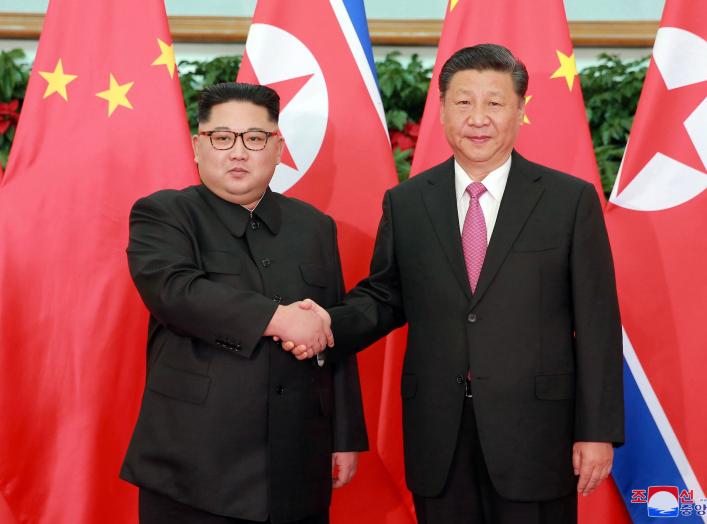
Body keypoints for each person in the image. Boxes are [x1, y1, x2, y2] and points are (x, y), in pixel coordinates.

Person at [290, 44, 624, 524]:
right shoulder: (406, 203)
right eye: (464, 102)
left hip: (536, 433)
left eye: (495, 102)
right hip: (438, 432)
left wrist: (597, 431)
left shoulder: (569, 201)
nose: (478, 118)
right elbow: (385, 296)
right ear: (443, 110)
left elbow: (597, 320)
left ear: (520, 110)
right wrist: (325, 323)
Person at [120, 82, 368, 524]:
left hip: (297, 461)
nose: (238, 152)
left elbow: (329, 332)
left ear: (277, 148)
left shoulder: (314, 227)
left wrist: (344, 435)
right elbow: (175, 291)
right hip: (193, 464)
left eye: (254, 139)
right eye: (222, 138)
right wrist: (278, 319)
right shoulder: (165, 214)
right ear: (198, 146)